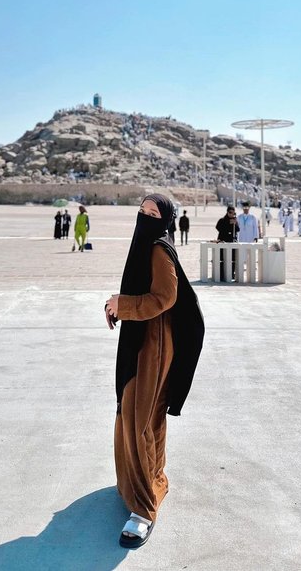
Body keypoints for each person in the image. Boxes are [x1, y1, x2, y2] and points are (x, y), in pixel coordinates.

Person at [105, 194, 204, 549]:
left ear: (165, 221)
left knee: (140, 419)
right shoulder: (145, 246)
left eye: (153, 213)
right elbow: (137, 290)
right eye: (142, 211)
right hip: (140, 338)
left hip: (154, 345)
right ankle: (144, 479)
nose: (145, 218)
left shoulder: (160, 248)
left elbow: (165, 297)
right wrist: (117, 306)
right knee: (136, 414)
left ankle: (144, 510)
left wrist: (125, 305)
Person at [215, 206, 239, 281]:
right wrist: (228, 223)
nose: (231, 214)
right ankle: (222, 274)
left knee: (232, 259)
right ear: (227, 212)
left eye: (233, 213)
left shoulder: (234, 220)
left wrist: (235, 223)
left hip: (231, 241)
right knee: (222, 258)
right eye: (230, 213)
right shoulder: (222, 220)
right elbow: (218, 228)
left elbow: (238, 230)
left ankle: (231, 273)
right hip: (223, 241)